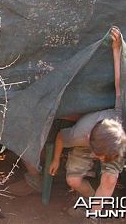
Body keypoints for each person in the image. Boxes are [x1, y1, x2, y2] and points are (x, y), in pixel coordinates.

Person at [49, 27, 126, 220]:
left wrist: (117, 50)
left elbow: (119, 85)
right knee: (73, 180)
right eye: (100, 157)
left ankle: (94, 215)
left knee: (109, 179)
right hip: (90, 141)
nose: (100, 160)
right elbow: (60, 137)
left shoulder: (118, 120)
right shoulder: (79, 135)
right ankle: (93, 200)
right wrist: (57, 160)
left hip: (111, 144)